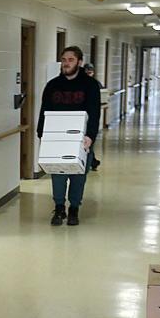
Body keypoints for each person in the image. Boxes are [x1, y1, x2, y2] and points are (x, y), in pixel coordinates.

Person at [38, 46, 102, 226]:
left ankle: (74, 208)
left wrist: (90, 136)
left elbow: (95, 113)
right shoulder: (53, 85)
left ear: (79, 62)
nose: (66, 63)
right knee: (57, 173)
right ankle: (59, 208)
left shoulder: (90, 85)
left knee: (78, 175)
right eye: (64, 60)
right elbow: (44, 111)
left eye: (70, 60)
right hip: (56, 138)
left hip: (81, 138)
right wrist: (42, 135)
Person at [83, 62, 105, 172]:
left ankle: (91, 162)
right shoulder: (80, 84)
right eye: (87, 72)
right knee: (88, 145)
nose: (89, 74)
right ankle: (92, 162)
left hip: (90, 119)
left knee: (89, 143)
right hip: (80, 118)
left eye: (90, 72)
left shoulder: (95, 84)